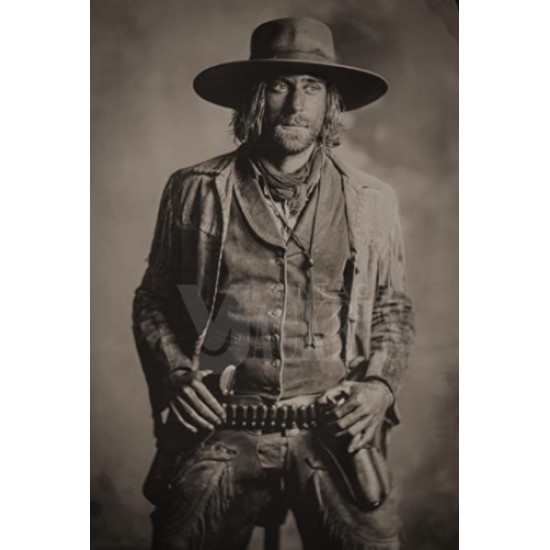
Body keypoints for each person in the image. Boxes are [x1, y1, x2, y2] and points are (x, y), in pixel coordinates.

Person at [133, 17, 414, 550]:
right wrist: (176, 375)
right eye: (280, 85)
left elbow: (391, 308)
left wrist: (379, 385)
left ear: (331, 103)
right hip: (223, 421)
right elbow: (155, 299)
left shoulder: (372, 200)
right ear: (254, 98)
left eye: (312, 87)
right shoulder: (195, 190)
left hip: (330, 427)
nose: (295, 105)